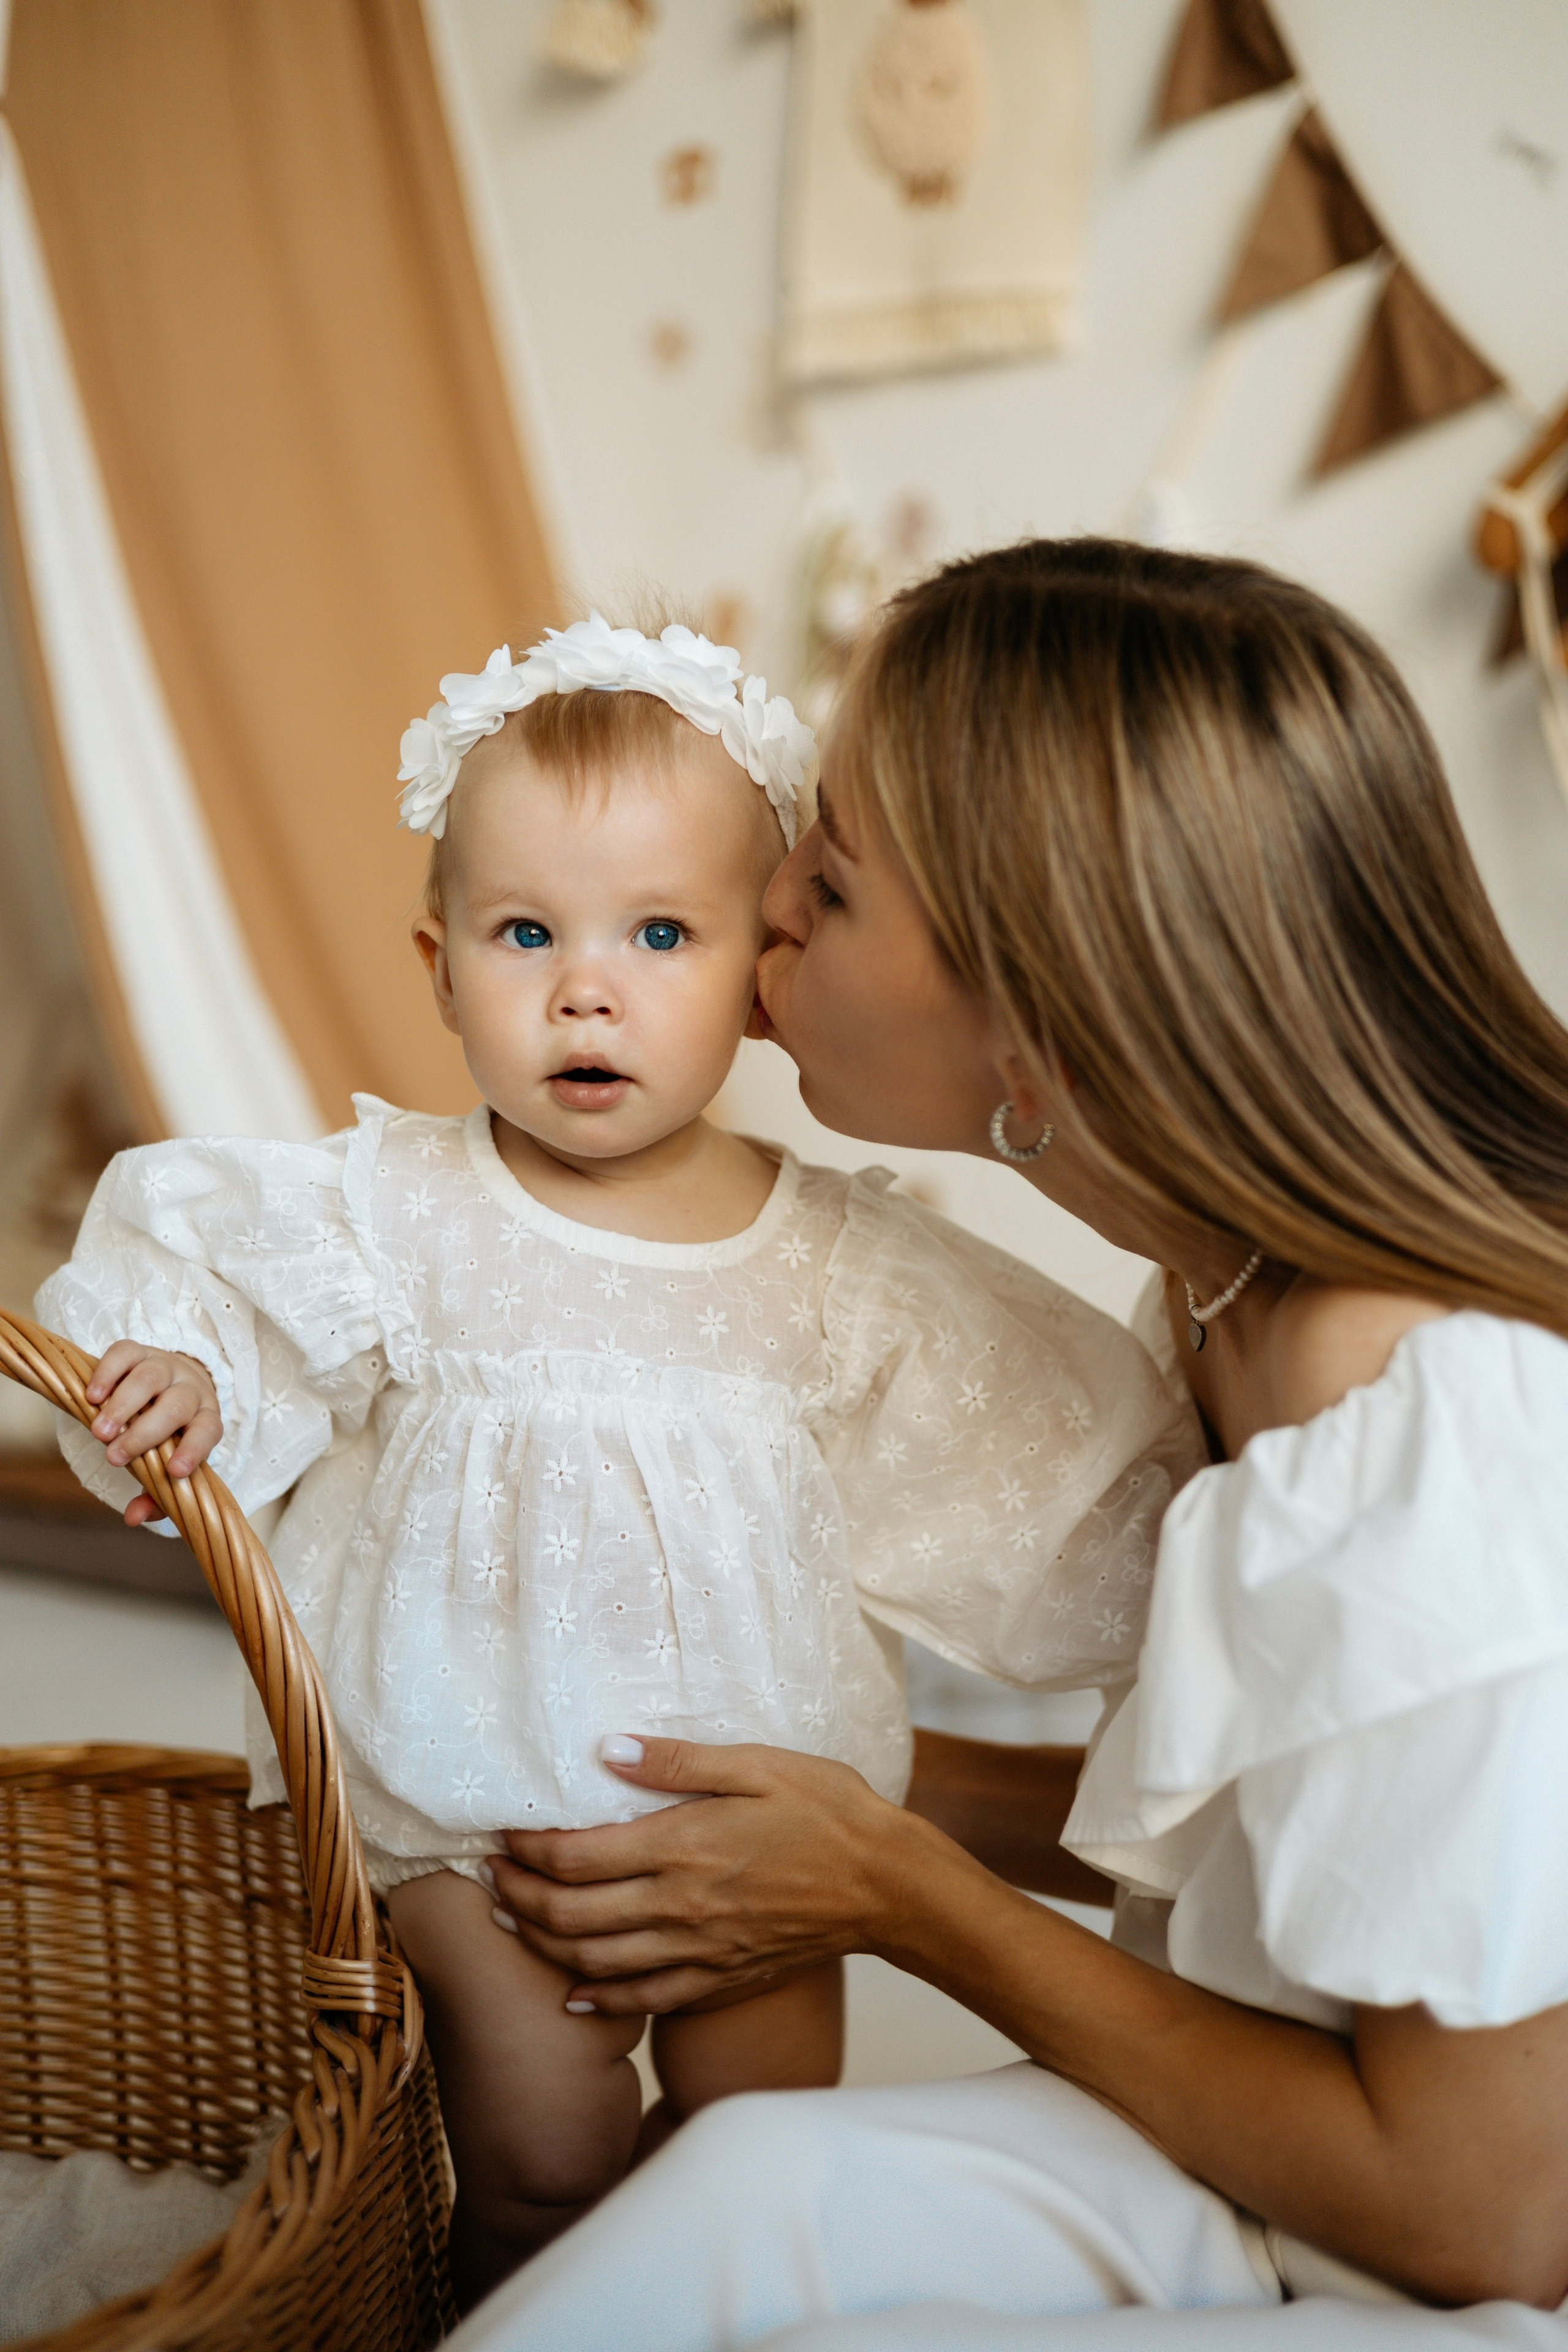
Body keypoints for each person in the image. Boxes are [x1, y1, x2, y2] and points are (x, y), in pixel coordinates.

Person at [448, 540, 1568, 2351]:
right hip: (1308, 2152)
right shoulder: (1233, 1304)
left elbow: (1486, 2215)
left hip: (1463, 2255)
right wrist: (826, 1789)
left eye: (833, 879)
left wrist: (906, 1896)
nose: (767, 914)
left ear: (1040, 1021)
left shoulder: (1414, 1414)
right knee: (728, 2208)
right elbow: (1290, 1865)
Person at [35, 611, 1197, 2308]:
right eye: (525, 934)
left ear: (757, 972)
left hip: (755, 1825)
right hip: (470, 1813)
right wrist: (182, 1383)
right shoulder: (401, 1211)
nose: (587, 986)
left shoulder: (835, 1263)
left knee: (765, 2143)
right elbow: (207, 1293)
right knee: (545, 2151)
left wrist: (1201, 1575)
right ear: (435, 966)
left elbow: (1042, 1453)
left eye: (660, 932)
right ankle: (505, 2295)